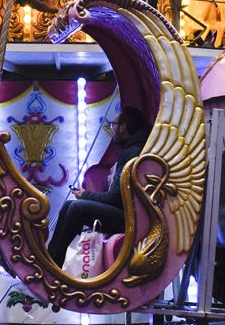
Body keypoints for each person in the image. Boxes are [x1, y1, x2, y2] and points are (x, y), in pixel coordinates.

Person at [47, 106, 152, 266]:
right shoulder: (132, 149)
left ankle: (55, 263)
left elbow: (115, 198)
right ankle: (52, 259)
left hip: (130, 219)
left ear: (123, 128)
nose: (112, 128)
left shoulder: (132, 153)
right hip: (127, 213)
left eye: (113, 124)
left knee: (76, 208)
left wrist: (85, 195)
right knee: (69, 205)